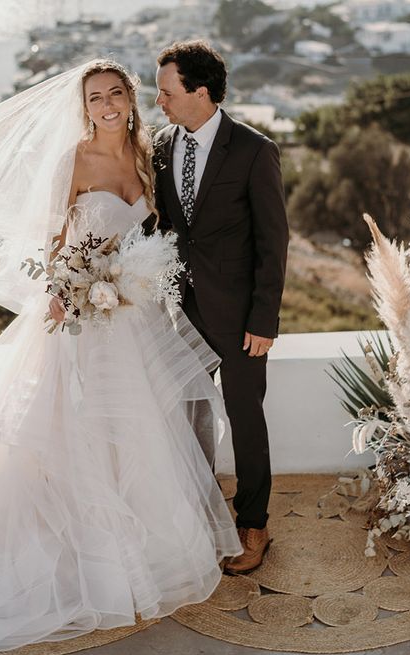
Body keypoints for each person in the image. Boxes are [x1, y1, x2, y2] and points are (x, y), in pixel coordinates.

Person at [0, 60, 241, 655]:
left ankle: (137, 547)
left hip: (134, 320)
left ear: (131, 101)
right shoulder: (74, 161)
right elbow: (53, 240)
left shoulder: (149, 156)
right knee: (74, 433)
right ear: (83, 106)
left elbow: (157, 238)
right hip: (80, 320)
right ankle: (82, 557)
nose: (107, 104)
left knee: (138, 433)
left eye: (116, 94)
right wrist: (69, 287)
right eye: (96, 97)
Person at [153, 41, 289, 574]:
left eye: (167, 92)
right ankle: (198, 516)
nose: (159, 101)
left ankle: (253, 522)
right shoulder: (162, 146)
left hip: (238, 318)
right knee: (186, 417)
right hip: (179, 312)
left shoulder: (255, 150)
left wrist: (264, 319)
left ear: (200, 91)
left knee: (245, 418)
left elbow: (273, 241)